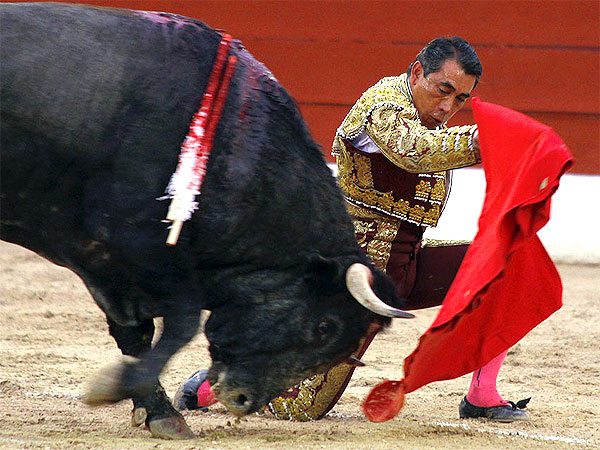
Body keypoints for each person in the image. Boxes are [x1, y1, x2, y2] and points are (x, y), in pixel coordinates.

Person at [174, 37, 531, 422]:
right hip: (351, 278)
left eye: (460, 99)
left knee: (506, 264)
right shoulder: (382, 106)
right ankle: (211, 385)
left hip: (405, 263)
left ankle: (482, 395)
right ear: (417, 73)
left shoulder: (424, 114)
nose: (448, 107)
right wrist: (489, 136)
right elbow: (414, 150)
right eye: (443, 90)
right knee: (301, 407)